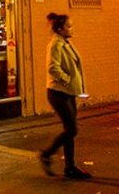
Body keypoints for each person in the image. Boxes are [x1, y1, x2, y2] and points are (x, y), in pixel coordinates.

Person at [38, 12, 91, 180]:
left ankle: (70, 167)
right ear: (60, 29)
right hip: (58, 92)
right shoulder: (56, 45)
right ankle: (47, 154)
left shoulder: (65, 43)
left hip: (67, 92)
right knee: (72, 129)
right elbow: (53, 68)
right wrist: (67, 80)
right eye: (68, 26)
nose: (71, 28)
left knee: (70, 130)